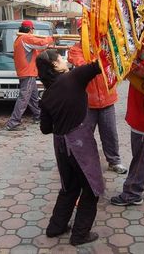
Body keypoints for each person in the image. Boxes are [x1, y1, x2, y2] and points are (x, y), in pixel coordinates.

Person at [36, 49, 103, 246]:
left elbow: (45, 128)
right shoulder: (74, 77)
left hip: (61, 145)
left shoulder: (47, 95)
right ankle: (80, 234)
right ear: (55, 65)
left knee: (69, 188)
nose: (64, 60)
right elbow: (99, 65)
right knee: (91, 189)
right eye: (60, 58)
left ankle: (55, 227)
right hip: (79, 143)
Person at [68, 19, 127, 174]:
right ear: (80, 33)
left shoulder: (104, 47)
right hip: (87, 103)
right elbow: (82, 65)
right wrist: (99, 60)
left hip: (107, 99)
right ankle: (84, 162)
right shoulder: (75, 50)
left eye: (88, 31)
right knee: (85, 134)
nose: (86, 34)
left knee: (110, 133)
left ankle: (114, 161)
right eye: (83, 31)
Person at [4, 20, 54, 131]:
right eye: (32, 30)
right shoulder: (25, 38)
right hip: (28, 73)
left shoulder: (18, 40)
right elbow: (42, 44)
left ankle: (38, 116)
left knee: (33, 97)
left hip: (24, 72)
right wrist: (52, 38)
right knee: (24, 98)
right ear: (30, 30)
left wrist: (45, 46)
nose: (33, 32)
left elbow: (37, 51)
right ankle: (13, 122)